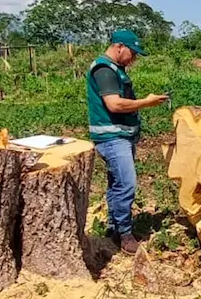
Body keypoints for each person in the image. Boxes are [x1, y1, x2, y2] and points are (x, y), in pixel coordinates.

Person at [85, 29, 169, 254]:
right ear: (119, 47)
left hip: (121, 135)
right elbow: (114, 104)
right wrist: (146, 103)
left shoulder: (115, 69)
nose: (134, 58)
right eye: (132, 53)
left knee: (116, 184)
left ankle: (114, 229)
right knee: (127, 183)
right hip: (112, 137)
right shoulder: (105, 70)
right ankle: (124, 233)